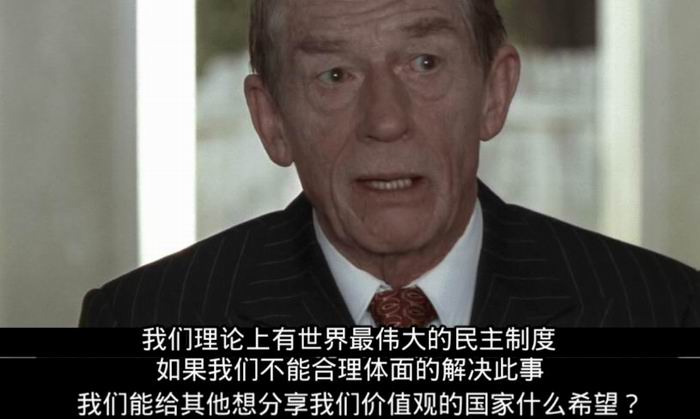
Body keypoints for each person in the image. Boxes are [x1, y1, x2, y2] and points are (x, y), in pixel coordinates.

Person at [80, 0, 699, 328]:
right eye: (335, 74)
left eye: (424, 63)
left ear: (495, 92)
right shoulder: (143, 322)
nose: (385, 119)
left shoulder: (663, 311)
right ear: (272, 120)